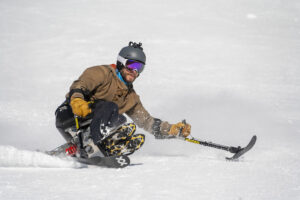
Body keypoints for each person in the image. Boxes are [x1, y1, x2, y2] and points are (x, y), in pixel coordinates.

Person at [55, 41, 191, 158]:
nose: (134, 71)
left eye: (139, 68)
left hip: (89, 127)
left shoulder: (130, 97)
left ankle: (104, 147)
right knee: (110, 108)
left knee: (120, 120)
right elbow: (79, 85)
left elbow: (147, 122)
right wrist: (78, 100)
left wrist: (172, 129)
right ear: (121, 62)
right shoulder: (102, 73)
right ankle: (99, 144)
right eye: (131, 65)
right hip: (71, 115)